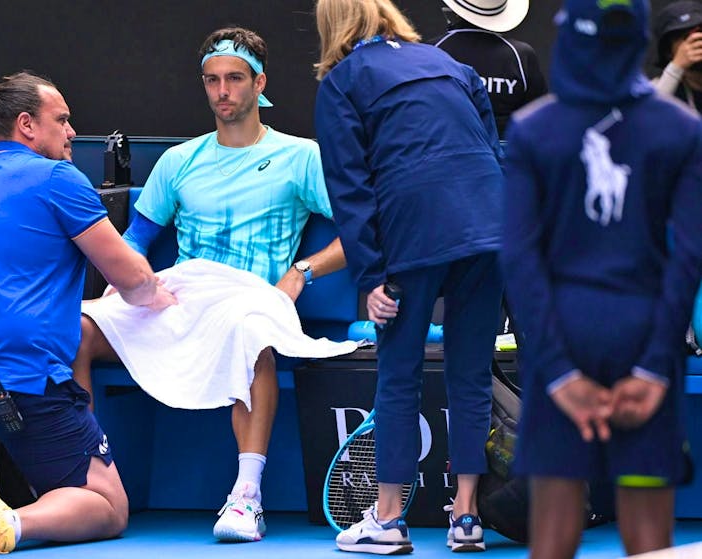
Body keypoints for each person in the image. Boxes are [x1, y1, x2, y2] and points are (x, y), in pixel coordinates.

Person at [74, 26, 350, 543]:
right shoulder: (178, 162)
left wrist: (302, 271)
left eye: (235, 79)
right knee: (74, 329)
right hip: (182, 294)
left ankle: (247, 498)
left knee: (251, 333)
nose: (222, 91)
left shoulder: (301, 156)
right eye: (212, 80)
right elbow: (136, 237)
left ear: (259, 83)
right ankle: (87, 476)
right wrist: (123, 278)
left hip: (252, 297)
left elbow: (360, 233)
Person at [0, 71, 176, 558]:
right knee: (107, 504)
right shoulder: (59, 178)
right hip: (15, 386)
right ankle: (0, 524)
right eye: (62, 120)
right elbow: (134, 283)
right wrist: (163, 296)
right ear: (27, 125)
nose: (73, 131)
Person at [501, 0, 702, 557]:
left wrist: (560, 373)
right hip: (646, 339)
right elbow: (689, 257)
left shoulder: (531, 129)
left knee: (558, 521)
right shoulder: (682, 129)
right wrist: (654, 367)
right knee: (648, 536)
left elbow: (519, 259)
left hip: (561, 338)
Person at [313, 0, 504, 554]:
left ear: (333, 26)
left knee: (399, 376)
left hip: (414, 233)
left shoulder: (342, 82)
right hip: (490, 225)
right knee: (472, 375)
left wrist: (371, 276)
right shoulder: (453, 67)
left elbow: (350, 187)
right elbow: (491, 153)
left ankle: (388, 520)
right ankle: (466, 518)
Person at [430, 0, 547, 138]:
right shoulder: (521, 55)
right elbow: (539, 120)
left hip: (447, 151)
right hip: (505, 155)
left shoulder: (432, 51)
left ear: (455, 11)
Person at [652, 0, 702, 112]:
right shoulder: (662, 87)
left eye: (700, 31)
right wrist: (676, 67)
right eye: (684, 36)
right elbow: (648, 114)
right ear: (668, 52)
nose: (695, 40)